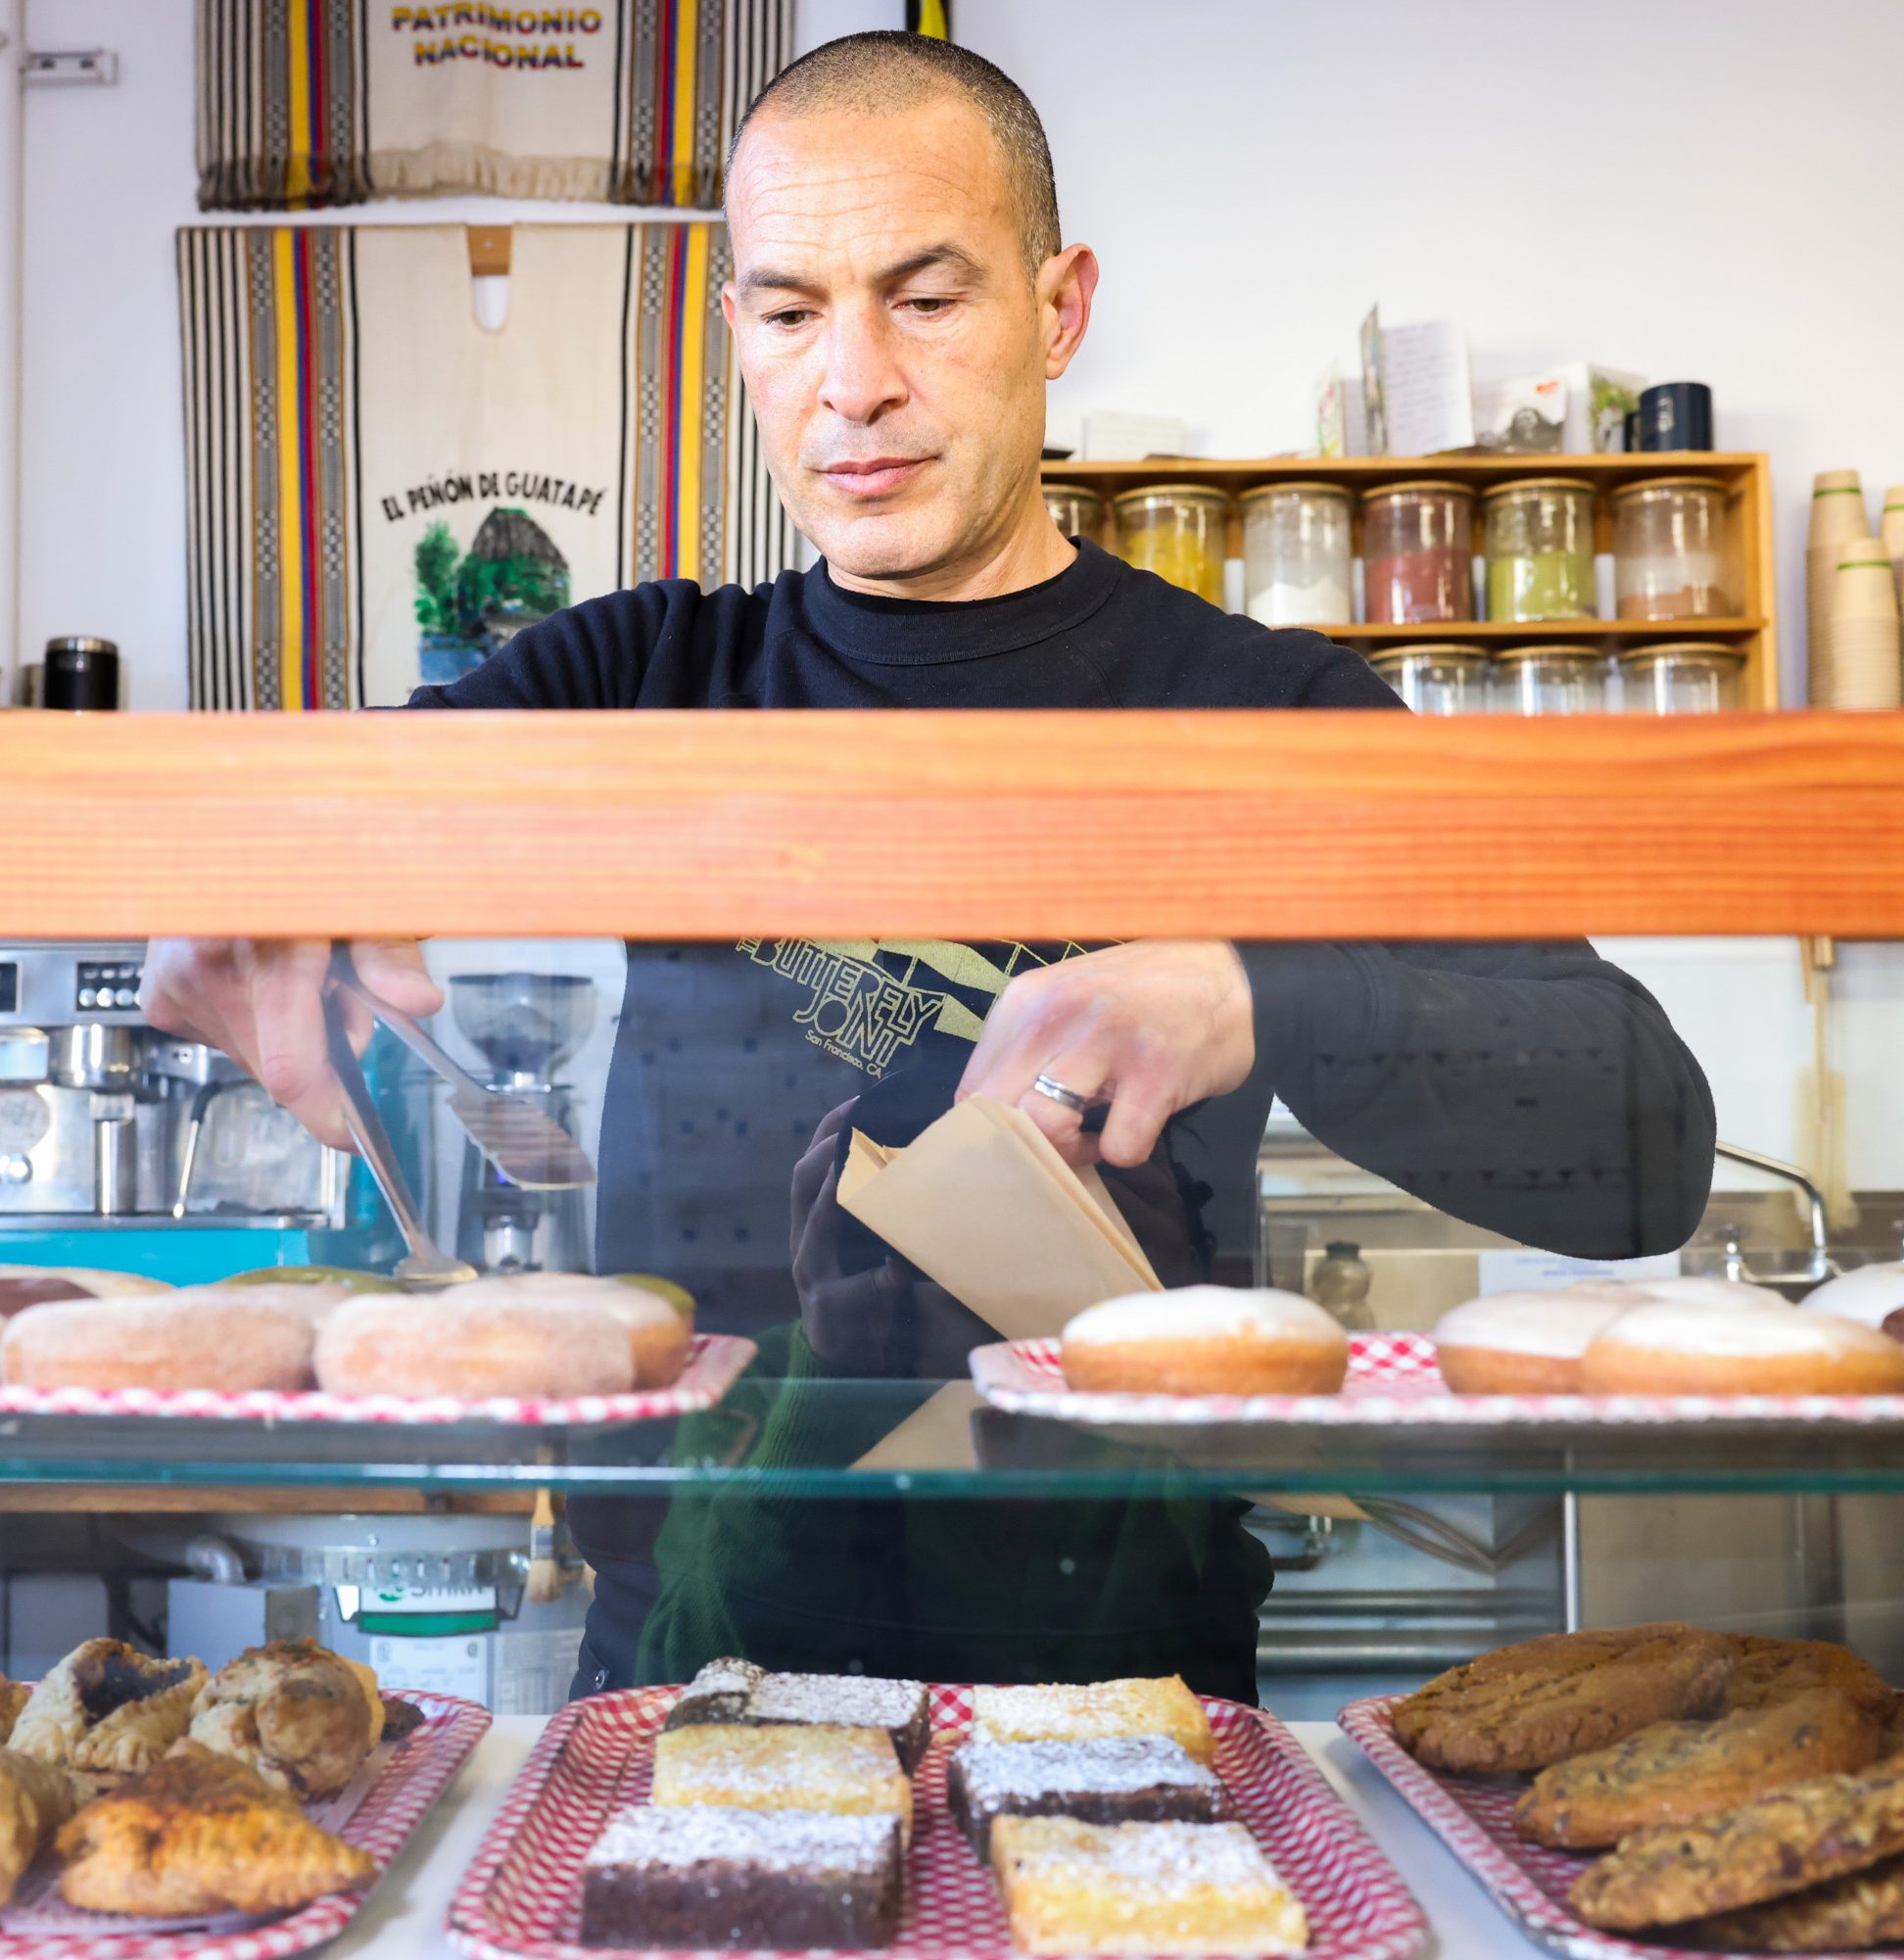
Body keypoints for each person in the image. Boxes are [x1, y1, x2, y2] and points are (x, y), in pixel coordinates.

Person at [144, 31, 1716, 1702]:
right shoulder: (638, 676)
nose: (854, 381)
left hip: (1123, 1675)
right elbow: (300, 810)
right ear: (734, 332)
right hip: (687, 1655)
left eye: (928, 296)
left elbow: (1645, 1150)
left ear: (1059, 308)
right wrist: (246, 877)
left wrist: (1256, 994)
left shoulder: (1270, 710)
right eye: (791, 308)